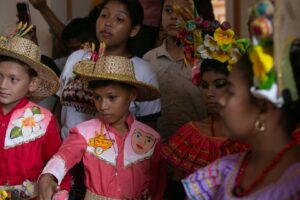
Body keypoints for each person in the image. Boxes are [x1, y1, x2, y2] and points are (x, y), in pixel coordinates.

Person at [182, 0, 300, 199]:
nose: (220, 100)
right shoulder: (223, 172)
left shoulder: (293, 186)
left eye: (229, 91)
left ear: (263, 107)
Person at [37, 55, 166, 200]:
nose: (103, 106)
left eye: (112, 97)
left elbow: (158, 184)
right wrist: (49, 176)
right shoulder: (85, 132)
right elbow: (64, 156)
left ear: (132, 95)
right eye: (98, 97)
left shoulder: (151, 139)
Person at [159, 10, 249, 198]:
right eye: (205, 86)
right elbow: (175, 192)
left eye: (219, 85)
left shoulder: (255, 135)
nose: (209, 94)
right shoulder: (191, 136)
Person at [0, 32, 70, 198]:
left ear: (33, 83)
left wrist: (59, 191)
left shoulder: (43, 120)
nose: (3, 85)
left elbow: (57, 164)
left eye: (13, 79)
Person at [143, 0, 215, 139]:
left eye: (183, 11)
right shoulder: (148, 59)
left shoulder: (206, 59)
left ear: (198, 17)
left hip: (199, 145)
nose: (174, 16)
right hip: (157, 147)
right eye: (168, 10)